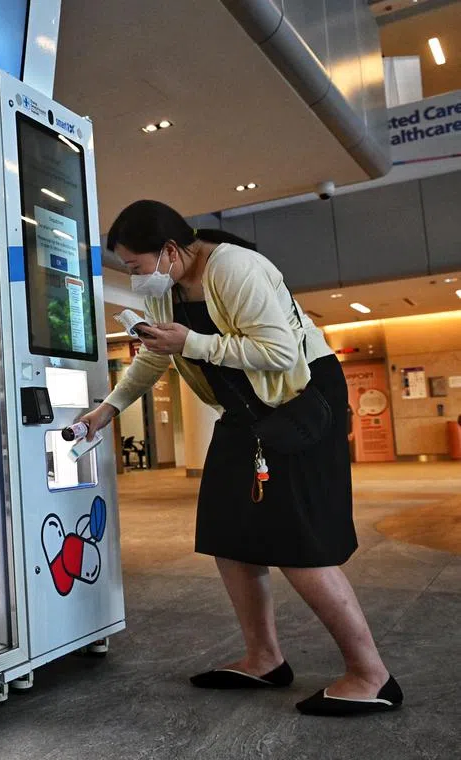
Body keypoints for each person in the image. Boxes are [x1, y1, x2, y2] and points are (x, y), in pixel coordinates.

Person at [77, 200, 401, 716]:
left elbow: (278, 354)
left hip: (299, 400)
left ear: (169, 251)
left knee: (298, 543)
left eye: (136, 267)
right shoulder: (171, 287)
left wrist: (194, 342)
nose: (135, 279)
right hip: (243, 411)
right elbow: (158, 354)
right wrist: (109, 408)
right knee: (230, 534)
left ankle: (371, 675)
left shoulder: (234, 268)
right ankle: (264, 658)